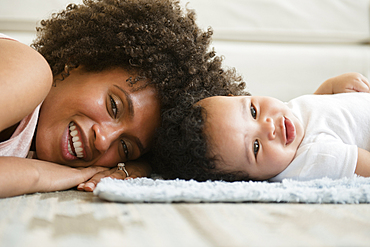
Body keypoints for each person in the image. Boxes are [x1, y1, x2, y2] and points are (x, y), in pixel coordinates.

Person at [0, 0, 245, 197]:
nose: (103, 141)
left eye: (125, 147)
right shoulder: (28, 70)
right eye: (114, 106)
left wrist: (142, 167)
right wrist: (39, 176)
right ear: (75, 61)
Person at [152, 73, 370, 182]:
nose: (268, 128)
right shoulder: (316, 159)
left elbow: (314, 117)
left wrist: (328, 89)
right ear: (252, 179)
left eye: (253, 111)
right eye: (255, 147)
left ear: (238, 95)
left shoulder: (286, 120)